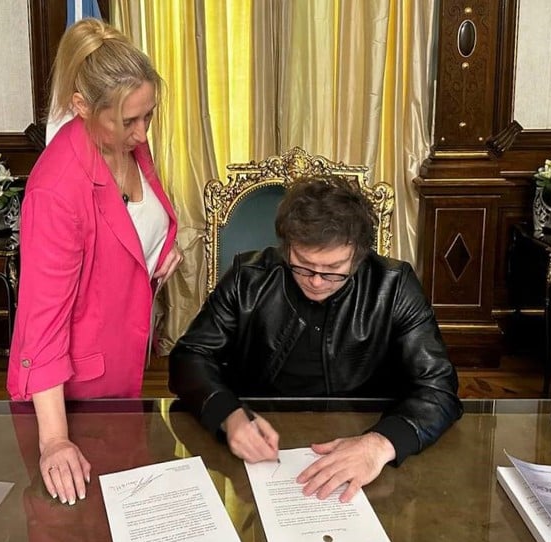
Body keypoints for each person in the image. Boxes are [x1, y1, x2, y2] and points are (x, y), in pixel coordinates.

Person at [169, 176, 461, 503]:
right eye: (304, 266)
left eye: (334, 270)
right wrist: (229, 415)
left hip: (363, 434)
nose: (317, 282)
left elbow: (438, 386)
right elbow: (189, 357)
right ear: (287, 247)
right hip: (264, 439)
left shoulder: (392, 286)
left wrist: (381, 443)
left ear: (359, 257)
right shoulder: (247, 278)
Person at [7, 18, 182, 506]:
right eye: (129, 120)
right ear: (82, 107)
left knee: (122, 522)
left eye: (149, 115)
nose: (142, 132)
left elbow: (139, 218)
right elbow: (40, 325)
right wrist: (55, 441)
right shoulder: (56, 189)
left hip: (123, 366)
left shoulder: (126, 140)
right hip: (72, 395)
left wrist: (165, 243)